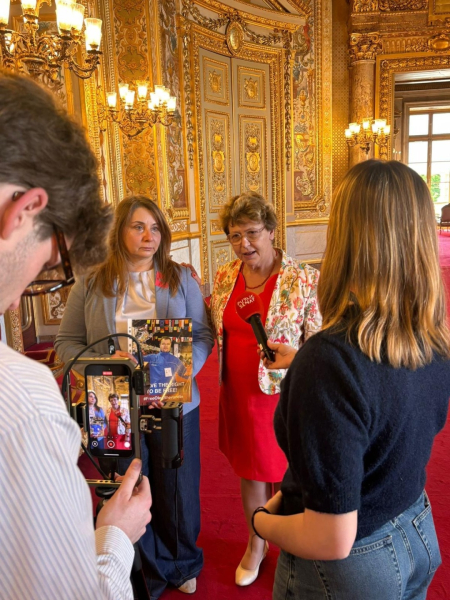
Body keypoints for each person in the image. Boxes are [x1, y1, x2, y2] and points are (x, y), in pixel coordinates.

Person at [252, 160, 450, 600]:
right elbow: (385, 402)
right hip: (416, 527)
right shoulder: (433, 339)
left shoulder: (330, 361)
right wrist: (306, 366)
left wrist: (260, 522)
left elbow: (331, 539)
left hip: (353, 566)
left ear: (346, 237)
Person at [0, 71, 152, 600]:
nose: (16, 302)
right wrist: (114, 539)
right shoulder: (25, 404)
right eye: (51, 264)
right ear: (24, 211)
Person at [55, 194, 214, 597]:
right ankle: (141, 568)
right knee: (127, 486)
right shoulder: (91, 280)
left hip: (173, 402)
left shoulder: (181, 278)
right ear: (119, 231)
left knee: (177, 489)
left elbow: (202, 335)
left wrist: (181, 370)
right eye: (139, 226)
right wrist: (106, 363)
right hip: (113, 404)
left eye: (156, 228)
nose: (149, 236)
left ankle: (181, 563)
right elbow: (66, 343)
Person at [186, 191, 321, 586]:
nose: (243, 243)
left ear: (271, 231)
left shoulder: (303, 278)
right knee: (251, 474)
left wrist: (297, 358)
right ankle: (256, 543)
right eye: (234, 235)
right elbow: (211, 326)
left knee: (293, 474)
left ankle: (297, 545)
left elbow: (319, 344)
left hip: (286, 396)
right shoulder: (226, 276)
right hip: (239, 394)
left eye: (252, 232)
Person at [144, 336, 191, 402]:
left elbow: (185, 374)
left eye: (168, 344)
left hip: (170, 394)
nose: (165, 346)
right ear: (160, 345)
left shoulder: (175, 360)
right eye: (163, 344)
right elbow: (136, 360)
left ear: (170, 345)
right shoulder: (151, 358)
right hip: (155, 394)